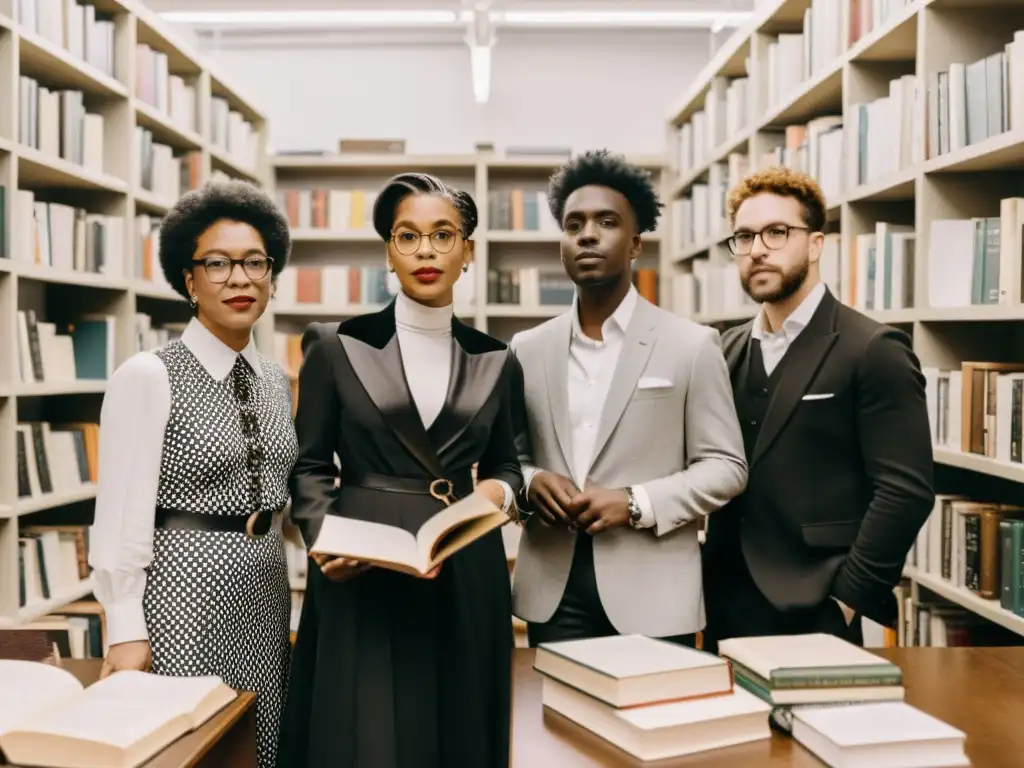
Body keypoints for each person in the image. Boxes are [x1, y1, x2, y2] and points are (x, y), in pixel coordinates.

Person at [276, 172, 523, 768]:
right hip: (363, 559)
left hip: (465, 559)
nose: (426, 252)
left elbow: (507, 465)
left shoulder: (496, 358)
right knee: (365, 732)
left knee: (462, 727)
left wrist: (498, 492)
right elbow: (309, 464)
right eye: (407, 236)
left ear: (468, 251)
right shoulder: (335, 345)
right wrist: (323, 537)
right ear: (388, 251)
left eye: (443, 236)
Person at [87, 180, 297, 768]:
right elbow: (119, 509)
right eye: (218, 264)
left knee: (261, 744)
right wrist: (125, 627)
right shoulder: (148, 375)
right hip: (182, 588)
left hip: (264, 586)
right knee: (188, 743)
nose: (240, 279)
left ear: (273, 276)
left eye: (255, 263)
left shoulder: (276, 379)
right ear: (189, 280)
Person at [509, 149, 748, 648]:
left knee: (652, 726)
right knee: (557, 725)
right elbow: (510, 458)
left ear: (636, 244)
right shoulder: (526, 349)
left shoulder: (692, 344)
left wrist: (635, 503)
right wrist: (531, 483)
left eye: (607, 222)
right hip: (554, 591)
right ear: (562, 245)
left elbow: (726, 466)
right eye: (573, 225)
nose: (588, 234)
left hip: (654, 593)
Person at [701, 166, 935, 651]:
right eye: (744, 237)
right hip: (722, 600)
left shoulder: (874, 348)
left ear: (815, 244)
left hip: (818, 605)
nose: (758, 249)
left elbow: (905, 491)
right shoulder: (724, 349)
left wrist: (846, 601)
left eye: (777, 232)